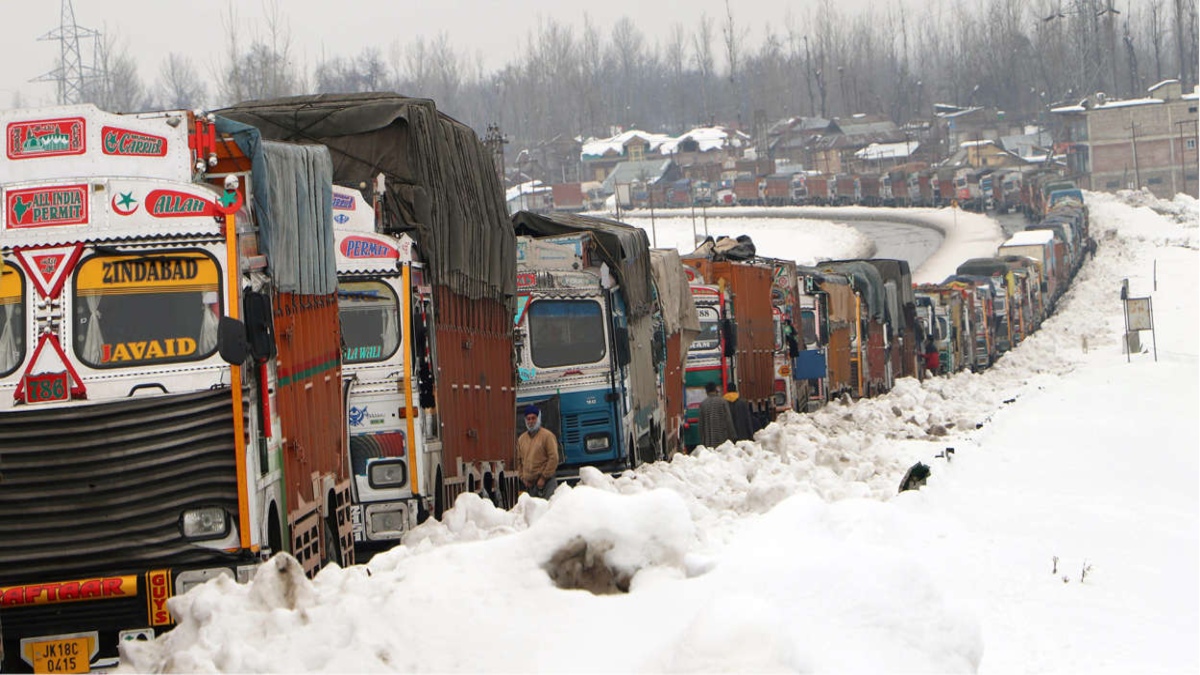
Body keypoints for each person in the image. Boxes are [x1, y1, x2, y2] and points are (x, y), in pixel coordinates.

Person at [516, 404, 559, 499]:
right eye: (528, 419)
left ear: (538, 418)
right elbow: (518, 461)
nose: (531, 421)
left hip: (547, 484)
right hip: (530, 486)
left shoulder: (547, 436)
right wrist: (523, 478)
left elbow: (554, 458)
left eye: (533, 418)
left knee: (549, 510)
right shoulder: (521, 439)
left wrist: (543, 478)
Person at [698, 381, 736, 448]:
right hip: (722, 440)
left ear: (706, 391)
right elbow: (728, 420)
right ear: (716, 390)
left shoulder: (703, 404)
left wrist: (702, 441)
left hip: (709, 442)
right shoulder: (723, 402)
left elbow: (701, 425)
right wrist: (732, 436)